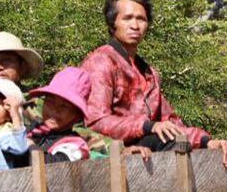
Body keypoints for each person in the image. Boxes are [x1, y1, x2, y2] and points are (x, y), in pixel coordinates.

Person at [81, 0, 227, 165]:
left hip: (146, 150)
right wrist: (147, 126)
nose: (135, 25)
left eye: (141, 19)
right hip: (110, 153)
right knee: (166, 140)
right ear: (113, 23)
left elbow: (171, 123)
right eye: (127, 18)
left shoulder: (148, 73)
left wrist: (206, 141)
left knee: (180, 142)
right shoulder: (101, 62)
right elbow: (96, 121)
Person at [21, 67, 149, 164]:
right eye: (50, 102)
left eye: (64, 107)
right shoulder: (32, 130)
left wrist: (29, 145)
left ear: (76, 116)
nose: (55, 111)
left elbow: (53, 164)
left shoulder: (76, 146)